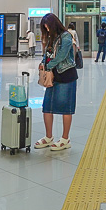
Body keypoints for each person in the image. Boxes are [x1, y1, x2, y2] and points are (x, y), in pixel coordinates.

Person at [35, 13, 77, 151]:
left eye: (48, 27)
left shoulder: (66, 36)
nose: (47, 29)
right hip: (52, 77)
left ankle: (65, 139)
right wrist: (43, 63)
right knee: (47, 107)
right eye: (45, 27)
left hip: (66, 75)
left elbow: (62, 55)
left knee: (66, 108)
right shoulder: (51, 37)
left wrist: (48, 65)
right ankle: (48, 137)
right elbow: (47, 54)